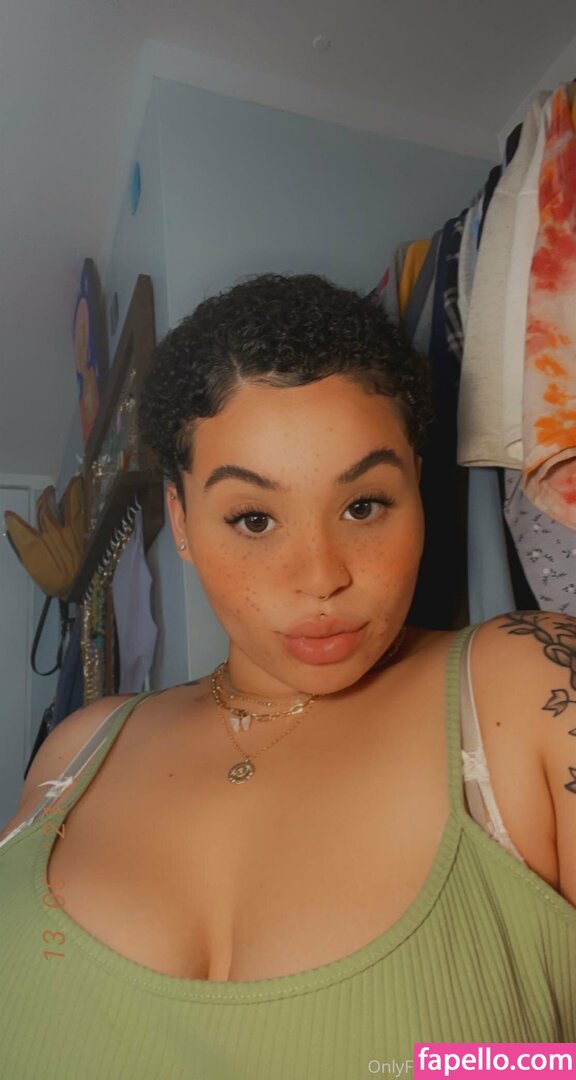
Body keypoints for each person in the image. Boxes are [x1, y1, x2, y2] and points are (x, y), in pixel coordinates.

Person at [0, 273, 574, 1079]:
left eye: (364, 505)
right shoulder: (77, 750)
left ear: (415, 487)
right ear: (182, 522)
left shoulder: (530, 691)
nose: (320, 577)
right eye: (254, 518)